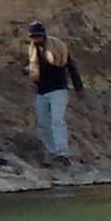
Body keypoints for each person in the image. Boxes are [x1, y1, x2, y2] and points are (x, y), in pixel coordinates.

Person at [25, 22, 84, 165]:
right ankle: (50, 151)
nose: (36, 39)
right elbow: (32, 68)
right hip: (41, 91)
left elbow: (71, 67)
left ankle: (62, 152)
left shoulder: (58, 48)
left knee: (57, 121)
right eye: (34, 36)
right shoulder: (33, 51)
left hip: (58, 89)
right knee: (43, 123)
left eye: (38, 36)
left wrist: (79, 87)